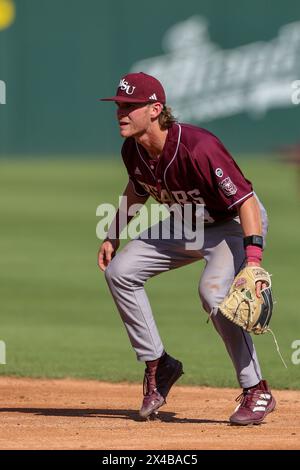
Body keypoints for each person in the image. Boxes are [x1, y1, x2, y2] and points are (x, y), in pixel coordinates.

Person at [98, 72, 276, 425]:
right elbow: (137, 189)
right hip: (186, 222)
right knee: (121, 272)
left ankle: (257, 389)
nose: (121, 112)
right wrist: (112, 234)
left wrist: (252, 260)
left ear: (155, 109)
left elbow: (246, 202)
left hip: (232, 224)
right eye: (119, 104)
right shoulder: (132, 149)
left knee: (213, 296)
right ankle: (159, 365)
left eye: (130, 106)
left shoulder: (199, 147)